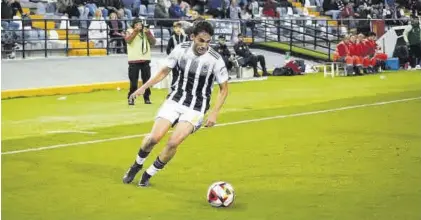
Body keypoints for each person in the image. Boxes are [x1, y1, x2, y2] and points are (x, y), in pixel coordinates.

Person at [122, 20, 229, 187]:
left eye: (208, 42)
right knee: (154, 138)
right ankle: (136, 165)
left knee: (173, 142)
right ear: (193, 37)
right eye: (201, 40)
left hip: (196, 107)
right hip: (175, 99)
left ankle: (148, 174)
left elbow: (224, 89)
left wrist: (215, 112)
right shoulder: (181, 49)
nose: (205, 45)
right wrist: (143, 87)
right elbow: (165, 70)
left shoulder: (216, 59)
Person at [125, 18, 156, 105]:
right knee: (133, 82)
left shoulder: (146, 31)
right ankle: (131, 98)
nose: (139, 26)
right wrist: (135, 31)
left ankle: (147, 98)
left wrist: (148, 32)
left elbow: (153, 42)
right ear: (133, 25)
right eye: (137, 24)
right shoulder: (129, 31)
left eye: (140, 24)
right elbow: (128, 40)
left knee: (146, 81)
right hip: (133, 60)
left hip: (145, 59)